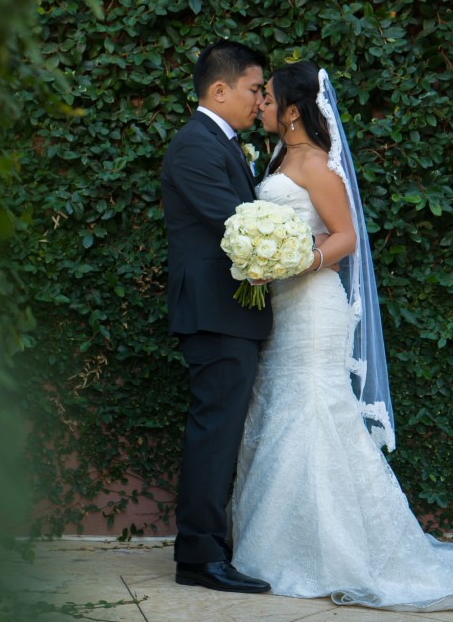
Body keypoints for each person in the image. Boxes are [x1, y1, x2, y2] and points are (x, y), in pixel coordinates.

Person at [231, 60, 453, 612]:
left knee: (315, 410)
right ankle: (278, 544)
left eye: (268, 98)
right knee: (279, 409)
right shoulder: (277, 158)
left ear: (293, 109)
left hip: (314, 306)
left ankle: (335, 553)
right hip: (282, 309)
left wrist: (297, 261)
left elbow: (346, 238)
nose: (262, 105)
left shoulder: (316, 164)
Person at [159, 40, 272, 594]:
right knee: (214, 432)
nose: (260, 100)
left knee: (221, 430)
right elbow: (238, 227)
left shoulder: (221, 142)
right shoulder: (195, 146)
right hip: (215, 312)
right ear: (219, 90)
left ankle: (208, 549)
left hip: (228, 313)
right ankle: (200, 557)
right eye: (255, 89)